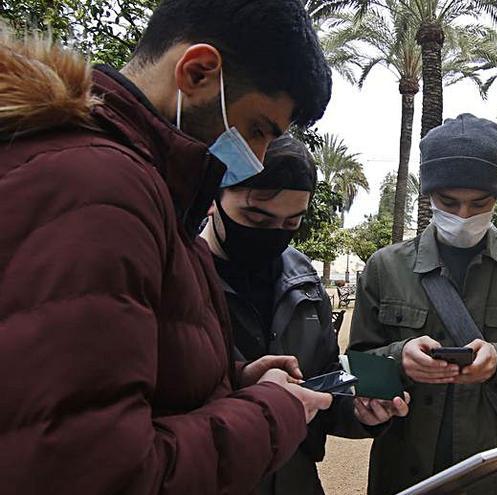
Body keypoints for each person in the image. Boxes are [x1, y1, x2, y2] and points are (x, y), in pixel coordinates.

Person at [0, 1, 335, 492]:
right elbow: (95, 470)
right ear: (197, 72)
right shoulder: (98, 189)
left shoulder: (155, 192)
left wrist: (232, 381)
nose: (259, 158)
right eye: (259, 128)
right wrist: (272, 410)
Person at [348, 113, 497, 494]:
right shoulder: (384, 267)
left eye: (480, 203)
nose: (463, 216)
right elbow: (357, 364)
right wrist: (398, 357)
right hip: (405, 472)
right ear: (428, 194)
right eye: (449, 201)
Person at [200, 135, 411, 495]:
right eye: (255, 216)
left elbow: (323, 383)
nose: (272, 235)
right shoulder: (174, 276)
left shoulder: (303, 278)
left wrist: (361, 412)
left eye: (290, 222)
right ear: (212, 199)